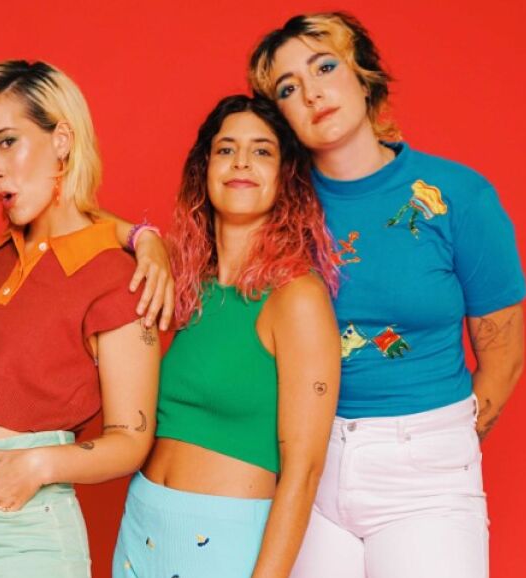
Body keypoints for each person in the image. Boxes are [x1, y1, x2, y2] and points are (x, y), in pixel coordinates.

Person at [248, 12, 526, 578]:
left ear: (363, 74)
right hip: (304, 464)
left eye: (325, 67)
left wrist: (441, 445)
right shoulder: (272, 208)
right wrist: (141, 240)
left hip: (426, 469)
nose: (312, 93)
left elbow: (504, 356)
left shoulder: (458, 195)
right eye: (288, 89)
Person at [0, 59, 160, 578]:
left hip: (22, 526)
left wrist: (39, 464)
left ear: (62, 140)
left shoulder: (117, 277)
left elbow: (131, 439)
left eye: (7, 142)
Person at [113, 94, 341, 578]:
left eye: (262, 151)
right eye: (226, 149)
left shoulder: (296, 297)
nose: (241, 161)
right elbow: (80, 225)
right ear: (204, 169)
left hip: (224, 540)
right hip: (140, 529)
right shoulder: (184, 284)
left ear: (286, 177)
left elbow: (303, 472)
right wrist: (143, 238)